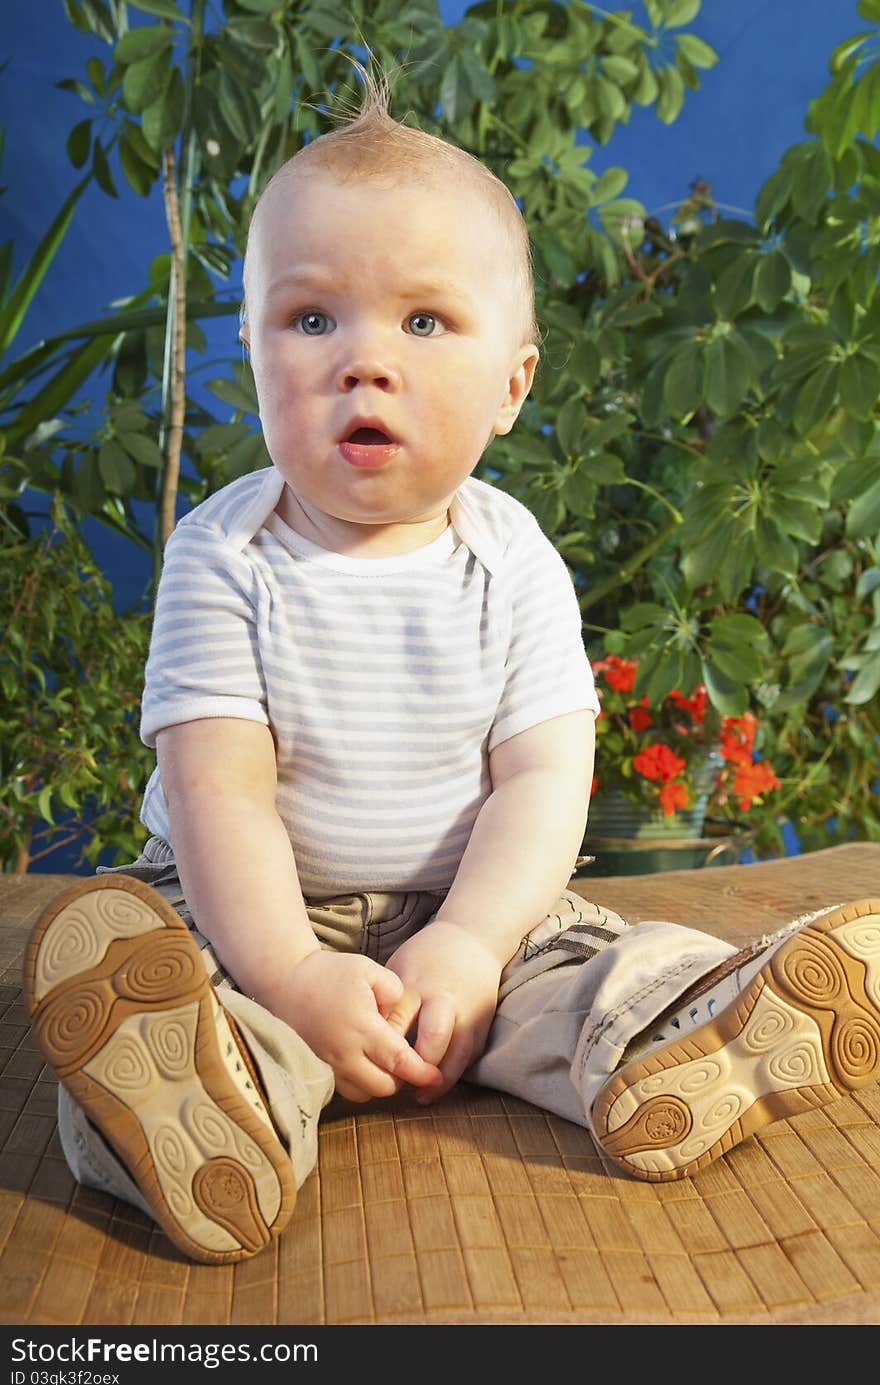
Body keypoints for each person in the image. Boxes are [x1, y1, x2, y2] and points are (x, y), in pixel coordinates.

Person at [24, 75, 880, 1266]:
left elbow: (540, 779)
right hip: (253, 910)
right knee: (199, 983)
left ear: (512, 386)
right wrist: (292, 971)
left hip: (468, 910)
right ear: (251, 349)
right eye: (311, 318)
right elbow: (219, 791)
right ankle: (200, 1111)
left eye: (423, 323)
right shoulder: (224, 552)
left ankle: (676, 1039)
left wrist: (473, 946)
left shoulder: (510, 555)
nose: (362, 362)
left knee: (576, 969)